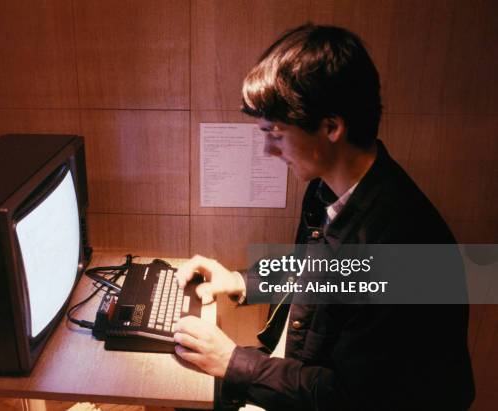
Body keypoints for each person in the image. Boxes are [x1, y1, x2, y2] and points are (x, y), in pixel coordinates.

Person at [173, 23, 475, 410]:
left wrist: (233, 363)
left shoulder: (403, 248)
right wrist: (241, 281)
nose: (267, 149)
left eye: (276, 134)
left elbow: (351, 397)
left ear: (331, 127)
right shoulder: (329, 189)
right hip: (305, 373)